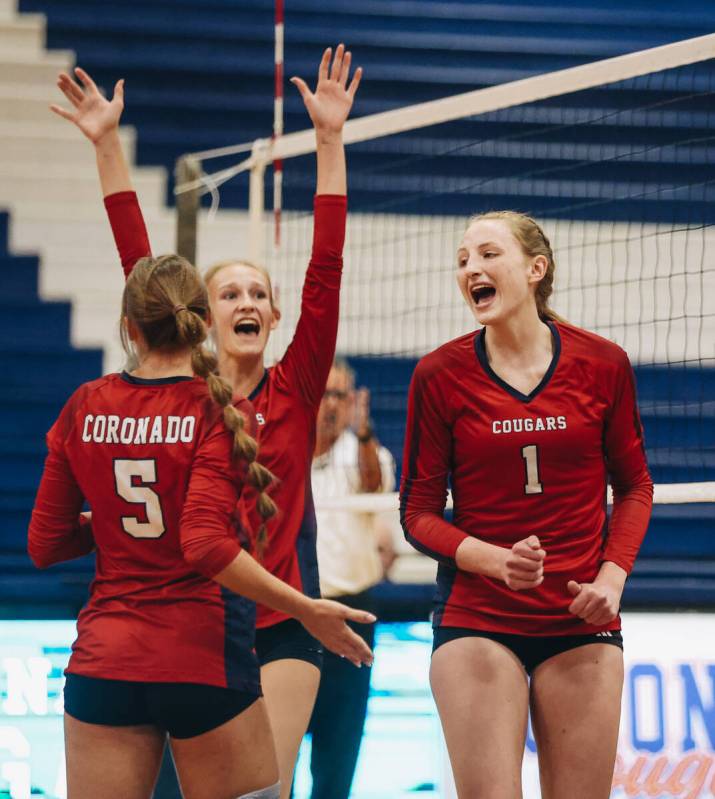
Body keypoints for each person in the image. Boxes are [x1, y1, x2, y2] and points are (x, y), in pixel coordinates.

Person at [51, 44, 364, 798]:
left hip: (279, 625)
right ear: (201, 314)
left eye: (260, 293)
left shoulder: (294, 387)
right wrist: (105, 148)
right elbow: (139, 266)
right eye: (230, 293)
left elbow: (325, 268)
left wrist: (328, 143)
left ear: (276, 313)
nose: (248, 302)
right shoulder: (181, 384)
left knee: (267, 786)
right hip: (183, 626)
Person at [28, 254, 373, 799]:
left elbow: (44, 545)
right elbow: (205, 544)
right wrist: (306, 607)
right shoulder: (218, 409)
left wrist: (112, 528)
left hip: (105, 658)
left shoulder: (84, 404)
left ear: (129, 326)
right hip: (200, 658)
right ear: (200, 321)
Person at [399, 210, 654, 799]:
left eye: (488, 254)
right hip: (479, 619)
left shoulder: (602, 363)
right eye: (463, 259)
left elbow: (635, 486)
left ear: (535, 269)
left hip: (580, 620)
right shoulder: (439, 375)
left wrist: (612, 580)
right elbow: (417, 512)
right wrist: (493, 560)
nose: (471, 269)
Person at [308, 358, 396, 799]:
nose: (329, 405)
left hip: (353, 617)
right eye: (321, 393)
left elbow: (375, 483)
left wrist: (362, 432)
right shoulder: (281, 451)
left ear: (351, 403)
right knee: (276, 755)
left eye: (338, 395)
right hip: (293, 615)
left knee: (337, 758)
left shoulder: (368, 453)